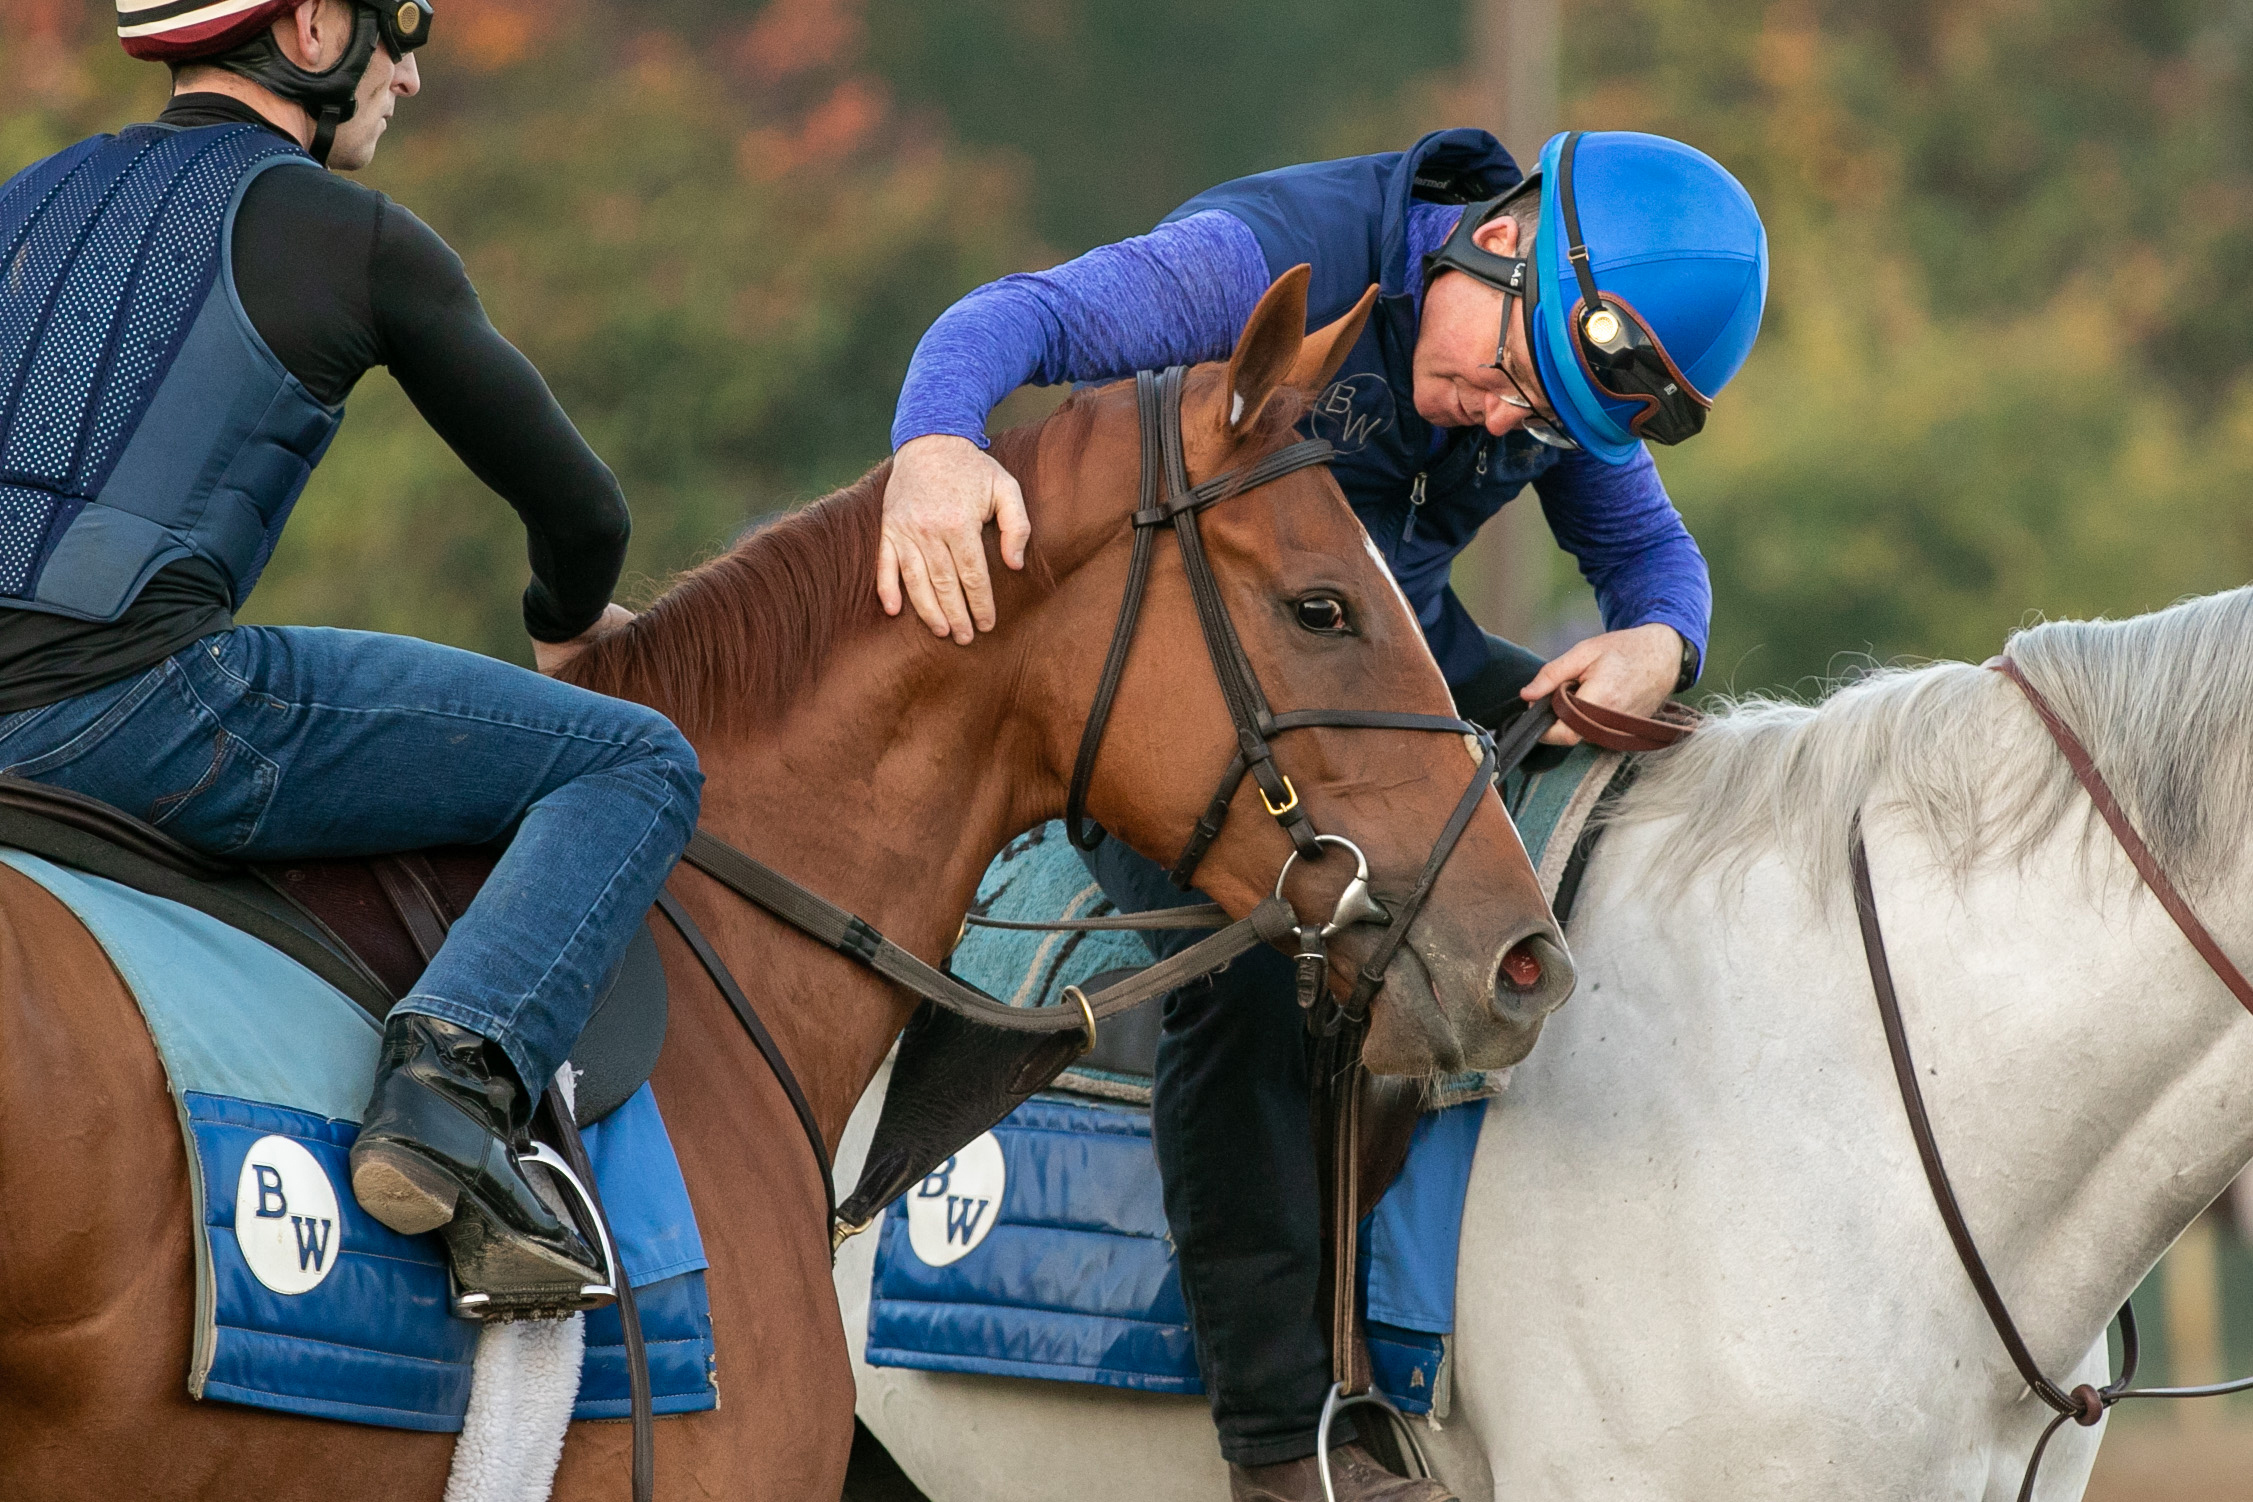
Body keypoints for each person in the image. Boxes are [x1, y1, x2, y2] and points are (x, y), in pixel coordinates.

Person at [879, 127, 1767, 1501]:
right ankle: (1278, 1446)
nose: (1494, 423)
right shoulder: (1256, 257)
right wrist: (935, 442)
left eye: (1533, 422)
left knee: (1667, 790)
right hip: (1156, 686)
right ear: (1505, 238)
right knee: (1264, 946)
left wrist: (1659, 643)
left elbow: (1649, 559)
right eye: (1507, 383)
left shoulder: (1539, 375)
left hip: (1369, 677)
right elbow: (1014, 317)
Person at [0, 0, 699, 1310]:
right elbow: (584, 513)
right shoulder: (352, 236)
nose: (414, 72)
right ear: (314, 28)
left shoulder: (24, 199)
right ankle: (448, 1092)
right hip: (144, 717)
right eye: (399, 28)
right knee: (635, 759)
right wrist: (565, 619)